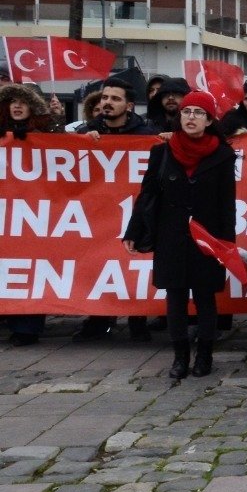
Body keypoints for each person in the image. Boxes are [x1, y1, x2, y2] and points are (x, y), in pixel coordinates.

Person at [124, 91, 235, 381]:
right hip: (171, 235)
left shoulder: (223, 155)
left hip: (207, 237)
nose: (191, 117)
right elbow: (148, 194)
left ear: (209, 120)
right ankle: (180, 356)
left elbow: (227, 203)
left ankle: (205, 355)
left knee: (205, 296)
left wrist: (226, 243)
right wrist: (133, 230)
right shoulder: (161, 152)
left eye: (199, 113)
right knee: (175, 297)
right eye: (187, 112)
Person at [73, 77, 157, 345]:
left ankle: (137, 321)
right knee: (98, 262)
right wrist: (82, 142)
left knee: (133, 263)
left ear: (129, 106)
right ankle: (98, 320)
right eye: (104, 98)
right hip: (96, 214)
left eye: (115, 98)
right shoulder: (86, 131)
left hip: (134, 211)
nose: (107, 103)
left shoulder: (147, 135)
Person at [2, 83, 61, 346]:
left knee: (31, 267)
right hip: (7, 214)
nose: (17, 106)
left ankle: (26, 328)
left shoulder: (46, 135)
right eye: (12, 101)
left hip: (35, 214)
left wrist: (56, 122)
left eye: (24, 101)